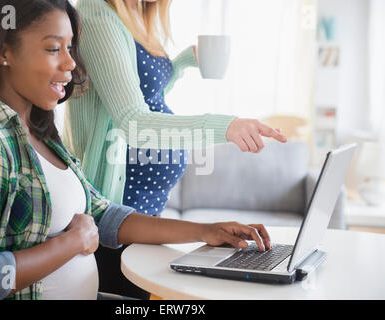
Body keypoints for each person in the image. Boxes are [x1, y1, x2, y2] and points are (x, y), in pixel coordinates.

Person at [0, 0, 272, 300]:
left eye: (71, 48)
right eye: (54, 49)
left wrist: (206, 231)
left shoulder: (40, 134)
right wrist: (71, 243)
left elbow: (103, 215)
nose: (72, 64)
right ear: (3, 51)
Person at [62, 0, 287, 299]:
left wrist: (179, 64)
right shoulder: (98, 16)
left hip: (143, 216)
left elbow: (144, 97)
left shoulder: (138, 14)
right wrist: (226, 127)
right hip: (113, 221)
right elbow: (132, 123)